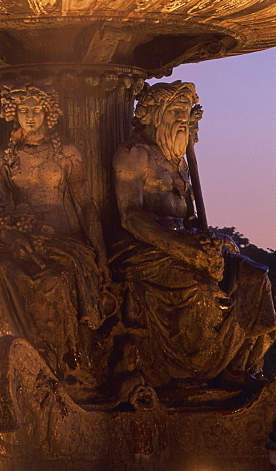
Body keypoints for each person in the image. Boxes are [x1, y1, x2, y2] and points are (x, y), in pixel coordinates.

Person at [112, 82, 276, 392]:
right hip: (145, 247)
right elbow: (130, 216)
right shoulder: (134, 153)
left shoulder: (179, 161)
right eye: (175, 112)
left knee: (255, 276)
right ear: (154, 115)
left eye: (186, 114)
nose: (182, 120)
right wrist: (184, 249)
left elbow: (190, 219)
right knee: (201, 285)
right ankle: (192, 371)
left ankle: (241, 366)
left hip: (183, 242)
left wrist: (212, 240)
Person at [0, 86, 110, 384]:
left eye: (36, 111)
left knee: (56, 280)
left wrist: (100, 253)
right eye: (23, 111)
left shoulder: (67, 152)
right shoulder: (3, 157)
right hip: (16, 234)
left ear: (48, 114)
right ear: (14, 114)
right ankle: (4, 358)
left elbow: (85, 204)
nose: (30, 117)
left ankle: (63, 364)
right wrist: (13, 237)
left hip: (61, 236)